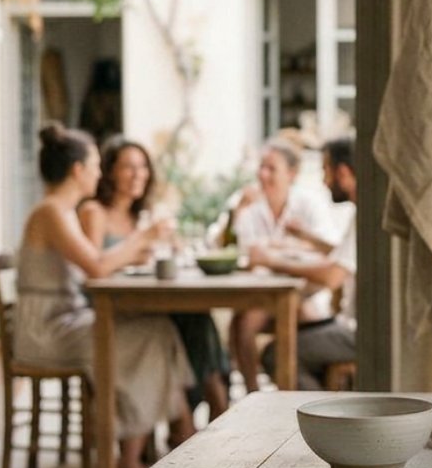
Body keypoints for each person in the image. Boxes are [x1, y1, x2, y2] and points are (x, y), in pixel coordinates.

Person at [15, 123, 196, 468]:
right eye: (97, 165)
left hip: (67, 319)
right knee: (147, 337)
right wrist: (142, 237)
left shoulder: (64, 212)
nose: (100, 173)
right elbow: (96, 267)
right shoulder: (51, 212)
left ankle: (160, 442)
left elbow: (96, 263)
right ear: (78, 170)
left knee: (159, 329)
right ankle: (147, 451)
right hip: (48, 329)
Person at [78, 137, 232, 420]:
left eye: (143, 167)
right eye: (129, 167)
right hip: (110, 308)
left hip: (141, 302)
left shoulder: (138, 217)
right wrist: (143, 240)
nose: (139, 174)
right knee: (188, 324)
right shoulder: (94, 212)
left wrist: (169, 245)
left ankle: (200, 410)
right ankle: (209, 407)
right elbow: (93, 267)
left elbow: (139, 258)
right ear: (110, 171)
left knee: (197, 318)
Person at [248, 135, 357, 390]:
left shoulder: (363, 213)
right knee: (279, 328)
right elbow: (344, 255)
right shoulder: (363, 211)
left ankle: (324, 419)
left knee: (276, 354)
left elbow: (333, 276)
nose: (323, 180)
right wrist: (307, 237)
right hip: (348, 322)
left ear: (342, 172)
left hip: (357, 332)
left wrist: (271, 260)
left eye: (325, 171)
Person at [226, 137, 335, 392]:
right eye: (261, 167)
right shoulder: (251, 208)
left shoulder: (310, 203)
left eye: (271, 168)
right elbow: (245, 253)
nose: (263, 175)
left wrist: (277, 250)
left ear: (292, 174)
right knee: (241, 322)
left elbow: (328, 250)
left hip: (308, 292)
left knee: (244, 322)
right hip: (264, 292)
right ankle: (252, 395)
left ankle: (284, 391)